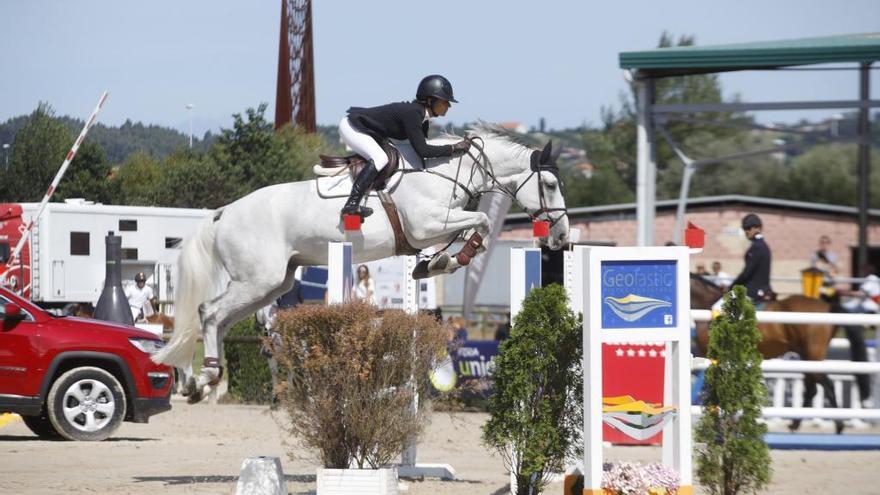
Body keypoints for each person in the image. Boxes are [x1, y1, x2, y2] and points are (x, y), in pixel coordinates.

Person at [339, 74, 471, 220]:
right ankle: (351, 206)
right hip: (352, 126)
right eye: (445, 101)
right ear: (430, 100)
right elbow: (424, 151)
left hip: (371, 132)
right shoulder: (413, 114)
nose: (449, 105)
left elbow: (421, 152)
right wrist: (453, 148)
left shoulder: (423, 119)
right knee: (380, 158)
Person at [715, 214, 773, 311]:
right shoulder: (762, 245)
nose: (746, 231)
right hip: (762, 289)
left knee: (717, 308)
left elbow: (746, 273)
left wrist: (731, 287)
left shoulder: (757, 247)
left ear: (758, 228)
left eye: (749, 228)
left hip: (753, 291)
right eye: (745, 228)